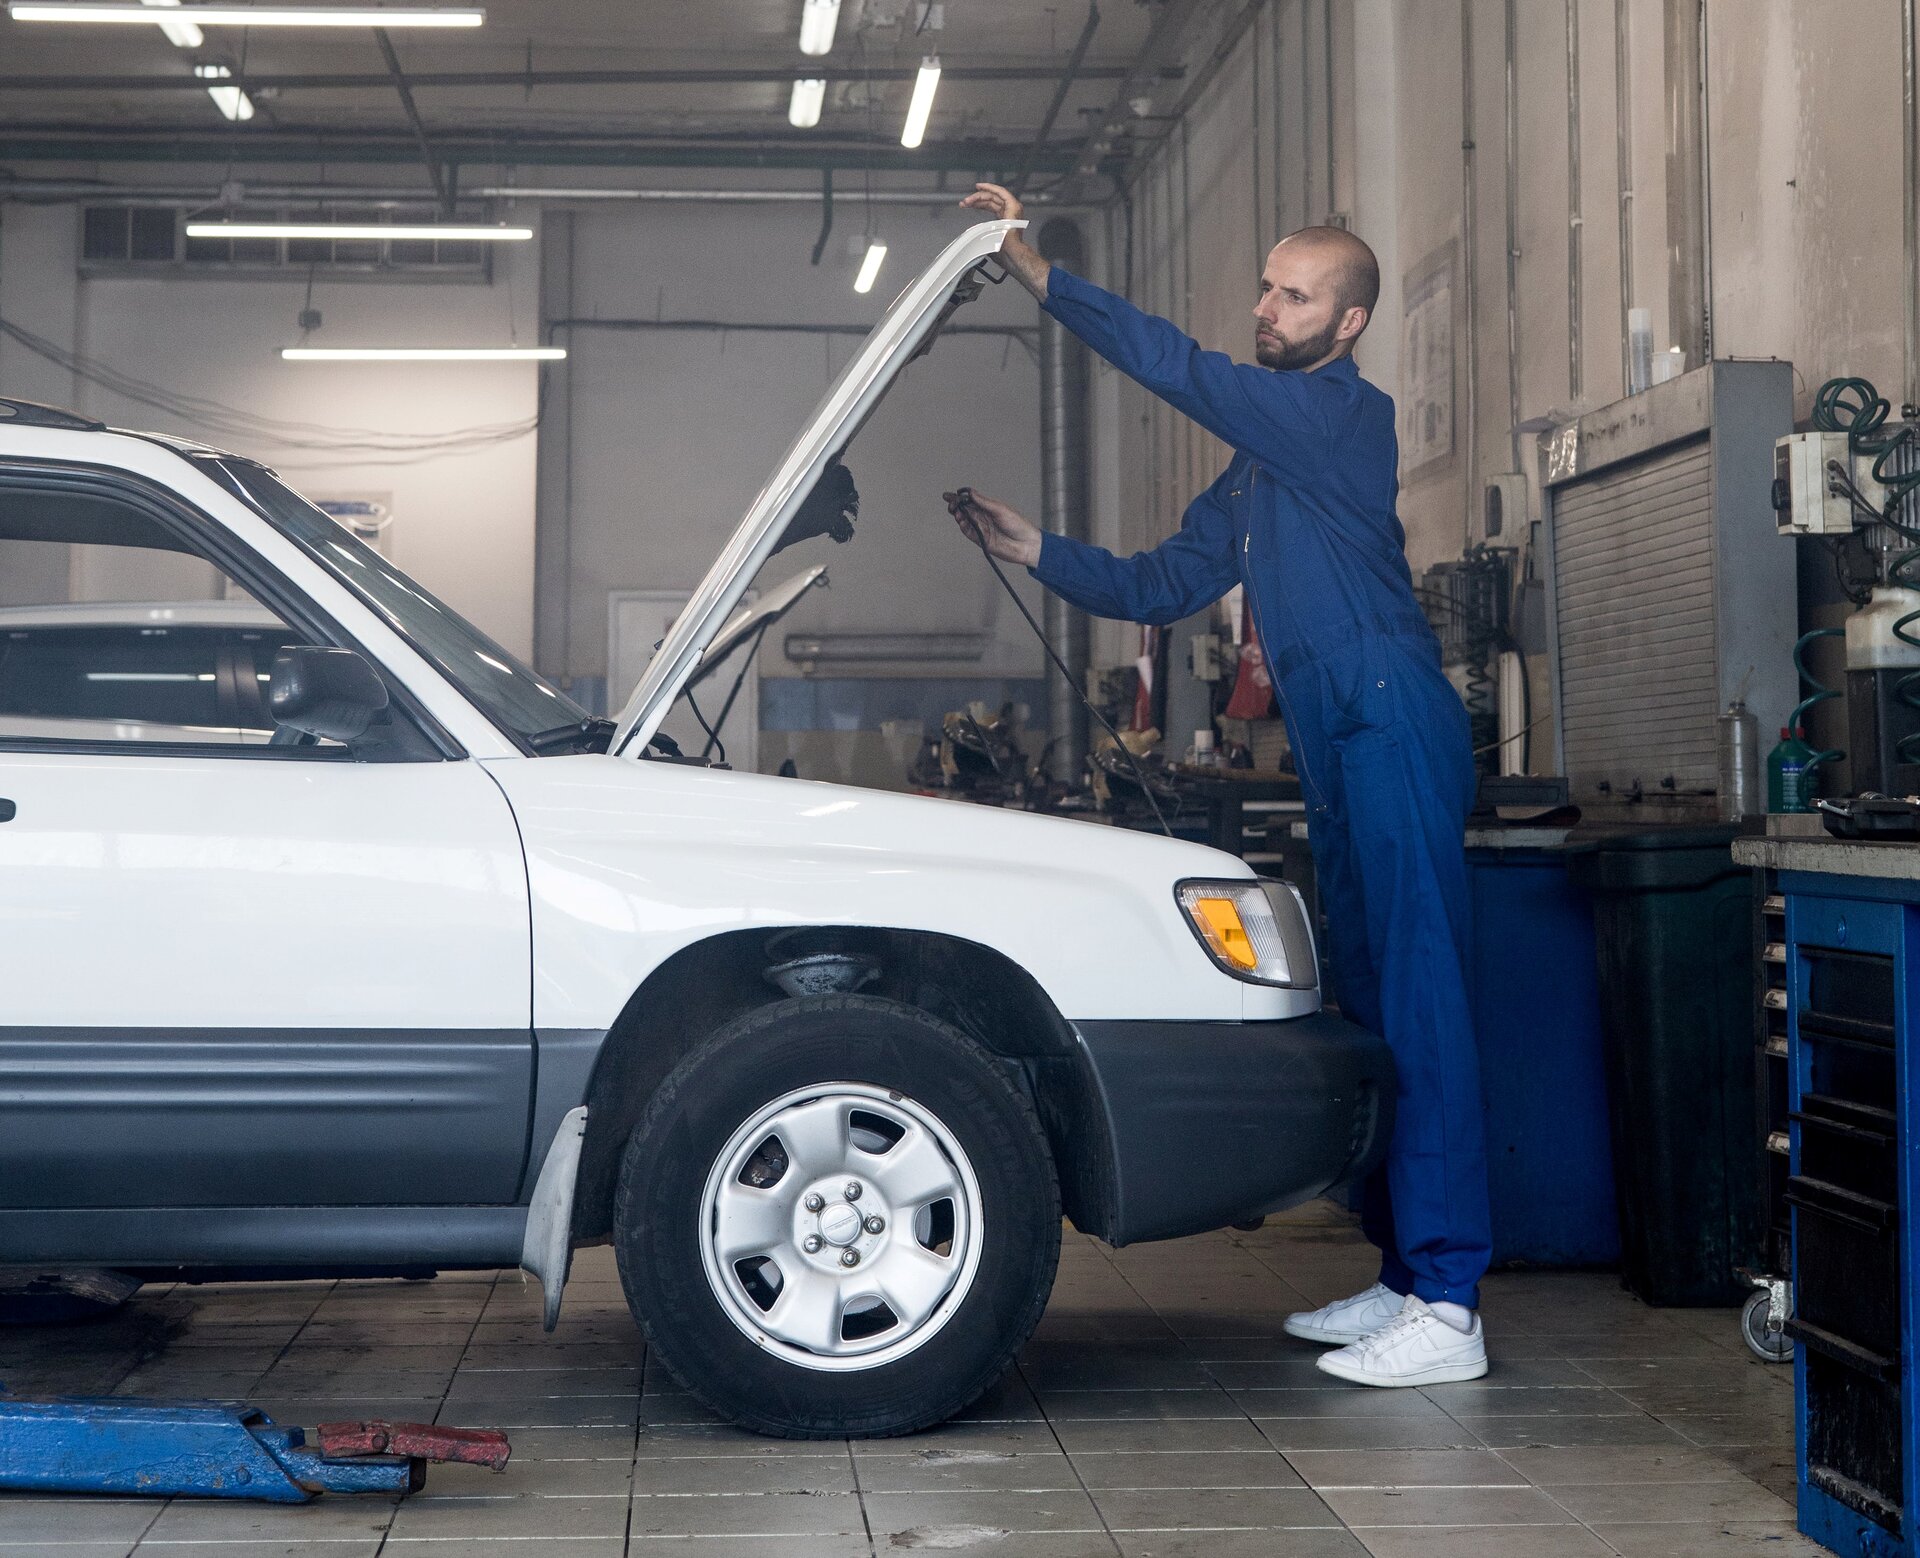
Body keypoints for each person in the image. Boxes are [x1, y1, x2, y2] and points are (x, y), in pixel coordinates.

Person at [949, 182, 1490, 1387]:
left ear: (1346, 325)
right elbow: (1158, 583)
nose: (1267, 308)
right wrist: (1031, 547)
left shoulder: (1343, 421)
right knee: (1373, 1006)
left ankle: (1452, 1304)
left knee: (1425, 1002)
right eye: (1265, 286)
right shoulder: (1259, 468)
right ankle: (1405, 1275)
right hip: (1337, 737)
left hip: (1391, 719)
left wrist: (1040, 273)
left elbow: (1174, 367)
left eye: (1294, 295)